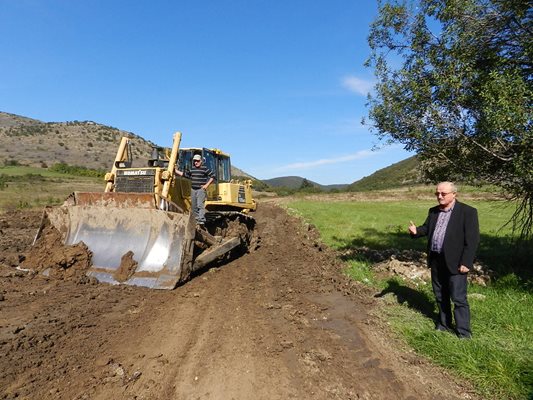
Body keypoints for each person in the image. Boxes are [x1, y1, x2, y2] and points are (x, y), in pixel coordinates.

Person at [408, 181, 480, 339]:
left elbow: (472, 240)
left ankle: (463, 333)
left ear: (454, 194)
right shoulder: (433, 211)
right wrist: (416, 231)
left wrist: (466, 262)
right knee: (440, 295)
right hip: (436, 260)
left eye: (443, 194)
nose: (439, 196)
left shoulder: (467, 212)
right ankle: (444, 324)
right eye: (437, 193)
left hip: (456, 262)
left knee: (458, 298)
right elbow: (427, 229)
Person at [175, 154, 215, 226]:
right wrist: (175, 171)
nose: (196, 162)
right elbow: (185, 174)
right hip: (193, 189)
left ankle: (201, 220)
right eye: (195, 161)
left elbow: (213, 176)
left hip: (200, 190)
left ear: (201, 161)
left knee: (200, 205)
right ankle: (196, 220)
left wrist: (206, 185)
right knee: (193, 206)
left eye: (197, 161)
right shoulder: (192, 169)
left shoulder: (204, 168)